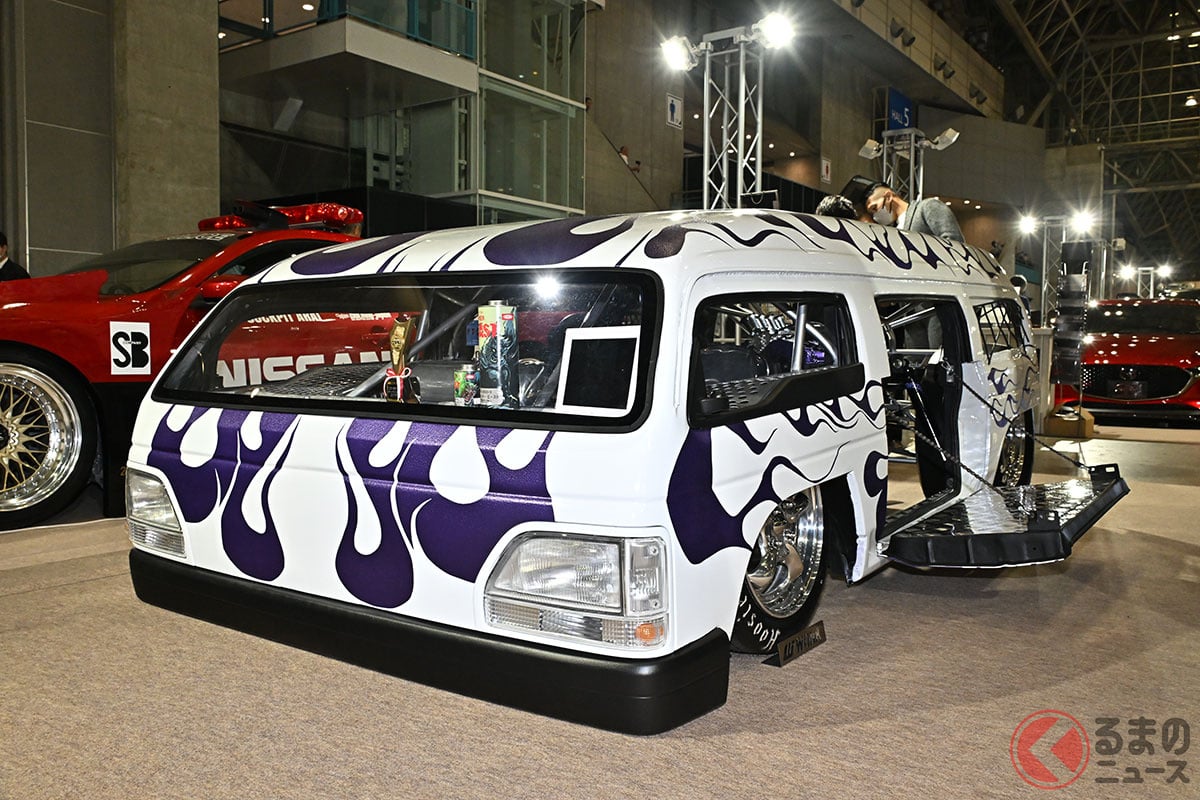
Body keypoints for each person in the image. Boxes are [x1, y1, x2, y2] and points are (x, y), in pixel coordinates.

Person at [864, 182, 964, 242]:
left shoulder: (928, 207)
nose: (875, 216)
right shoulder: (893, 230)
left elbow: (954, 243)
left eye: (874, 208)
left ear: (888, 197)